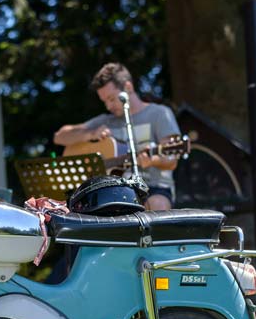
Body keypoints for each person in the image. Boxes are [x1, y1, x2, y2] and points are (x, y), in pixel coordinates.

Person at [53, 63, 181, 210]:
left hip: (153, 188)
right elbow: (60, 136)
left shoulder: (159, 113)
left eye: (112, 99)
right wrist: (90, 134)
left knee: (158, 204)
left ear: (128, 87)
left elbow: (172, 160)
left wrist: (152, 160)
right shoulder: (105, 120)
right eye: (104, 101)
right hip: (111, 191)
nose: (108, 106)